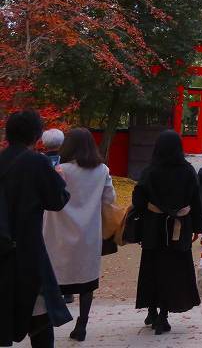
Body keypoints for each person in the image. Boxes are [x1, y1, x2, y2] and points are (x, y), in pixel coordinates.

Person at [0, 110, 71, 348]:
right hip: (27, 252)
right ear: (36, 135)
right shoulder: (37, 162)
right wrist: (59, 178)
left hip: (2, 250)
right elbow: (57, 201)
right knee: (40, 319)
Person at [42, 128, 115, 342]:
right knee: (86, 280)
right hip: (88, 232)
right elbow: (109, 199)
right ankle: (81, 324)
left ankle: (47, 325)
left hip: (57, 231)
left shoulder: (58, 169)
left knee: (52, 279)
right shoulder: (101, 170)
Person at [133, 130, 202, 335]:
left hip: (153, 228)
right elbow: (195, 200)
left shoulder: (150, 171)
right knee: (173, 271)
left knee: (152, 267)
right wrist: (198, 227)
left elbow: (138, 201)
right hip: (178, 228)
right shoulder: (188, 171)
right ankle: (163, 315)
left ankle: (151, 309)